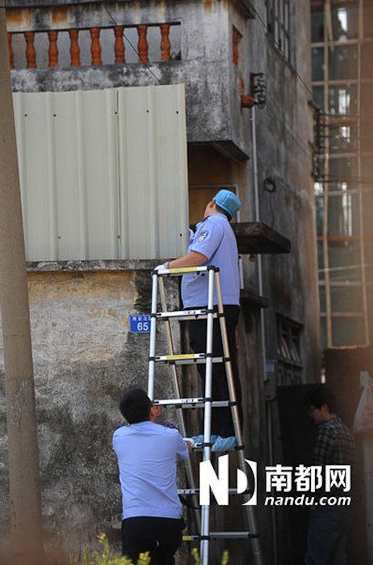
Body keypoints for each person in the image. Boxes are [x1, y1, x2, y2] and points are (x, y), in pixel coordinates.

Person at [158, 189, 242, 452]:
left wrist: (167, 267)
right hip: (210, 303)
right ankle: (218, 430)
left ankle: (227, 431)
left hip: (211, 304)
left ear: (212, 204)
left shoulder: (214, 223)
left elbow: (198, 257)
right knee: (213, 367)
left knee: (217, 367)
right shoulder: (223, 227)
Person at [112, 388, 190, 565]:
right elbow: (185, 450)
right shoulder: (171, 435)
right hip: (169, 520)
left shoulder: (118, 437)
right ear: (151, 409)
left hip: (136, 519)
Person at [303, 386, 356, 565]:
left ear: (324, 407)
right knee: (338, 559)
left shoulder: (326, 430)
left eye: (312, 410)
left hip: (327, 504)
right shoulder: (345, 431)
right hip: (344, 505)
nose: (311, 415)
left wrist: (313, 499)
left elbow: (318, 468)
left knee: (316, 559)